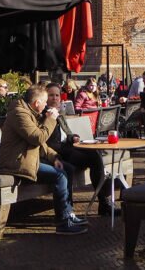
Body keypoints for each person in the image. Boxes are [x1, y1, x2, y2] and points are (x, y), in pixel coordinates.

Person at [0, 84, 87, 234]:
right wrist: (51, 119)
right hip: (17, 163)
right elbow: (38, 138)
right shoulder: (19, 115)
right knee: (60, 176)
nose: (47, 105)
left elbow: (41, 143)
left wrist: (54, 158)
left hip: (29, 159)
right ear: (36, 103)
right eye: (45, 102)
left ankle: (69, 213)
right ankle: (63, 223)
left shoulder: (30, 113)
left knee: (68, 169)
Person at [45, 83, 118, 216]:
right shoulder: (44, 115)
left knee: (95, 155)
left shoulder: (59, 113)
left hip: (68, 148)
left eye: (57, 95)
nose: (55, 98)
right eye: (51, 95)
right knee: (91, 158)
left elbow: (66, 133)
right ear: (45, 97)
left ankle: (104, 202)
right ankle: (102, 203)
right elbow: (46, 141)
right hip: (58, 153)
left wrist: (73, 137)